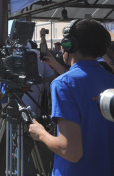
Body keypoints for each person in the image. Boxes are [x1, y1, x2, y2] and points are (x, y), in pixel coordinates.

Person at [29, 19, 114, 176]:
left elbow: (70, 151)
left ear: (70, 44)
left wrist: (40, 133)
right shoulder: (110, 78)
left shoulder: (63, 84)